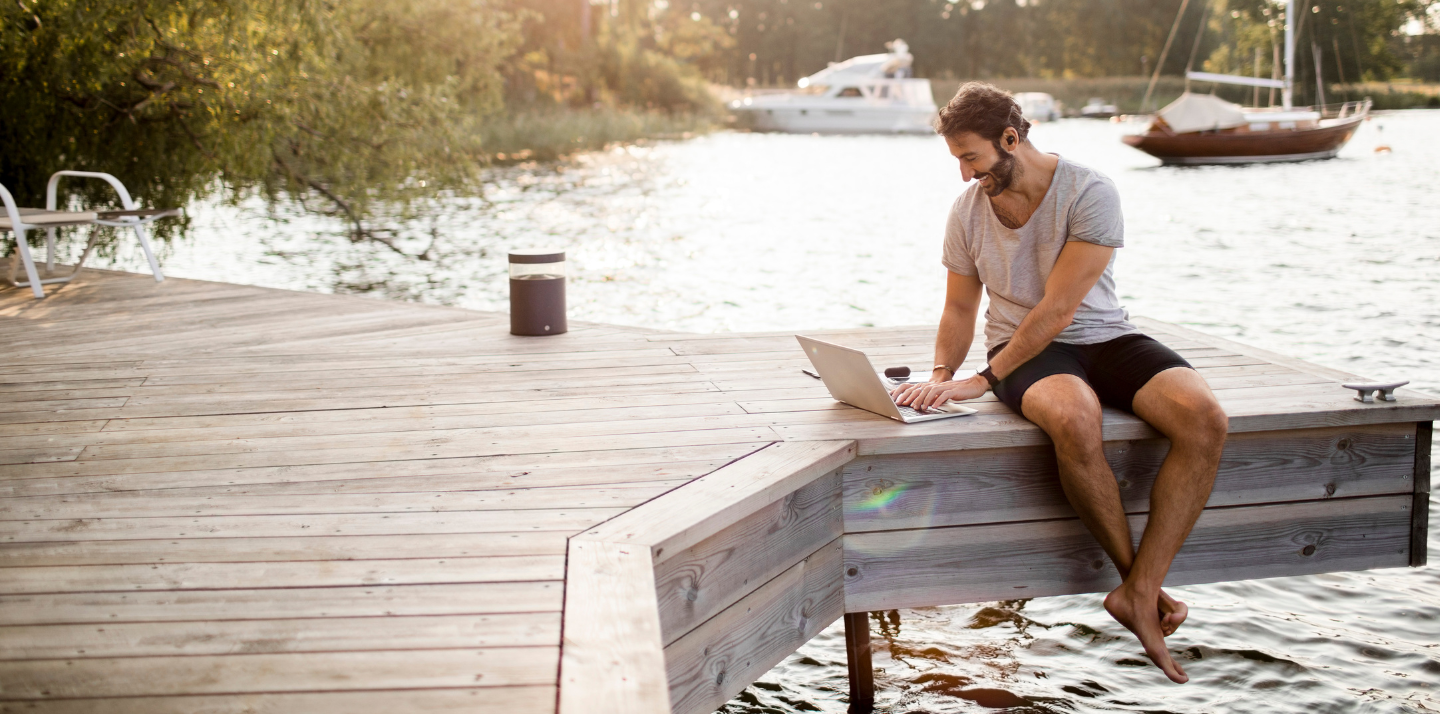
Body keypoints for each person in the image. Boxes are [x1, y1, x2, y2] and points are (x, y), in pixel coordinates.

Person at [890, 82, 1229, 684]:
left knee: (1205, 418)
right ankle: (1141, 590)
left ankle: (1138, 591)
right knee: (1074, 417)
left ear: (1010, 139)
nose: (964, 174)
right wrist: (942, 376)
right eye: (956, 160)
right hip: (1021, 349)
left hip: (1103, 336)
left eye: (970, 157)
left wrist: (982, 380)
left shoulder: (1090, 192)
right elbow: (960, 309)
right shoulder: (967, 211)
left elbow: (1059, 311)